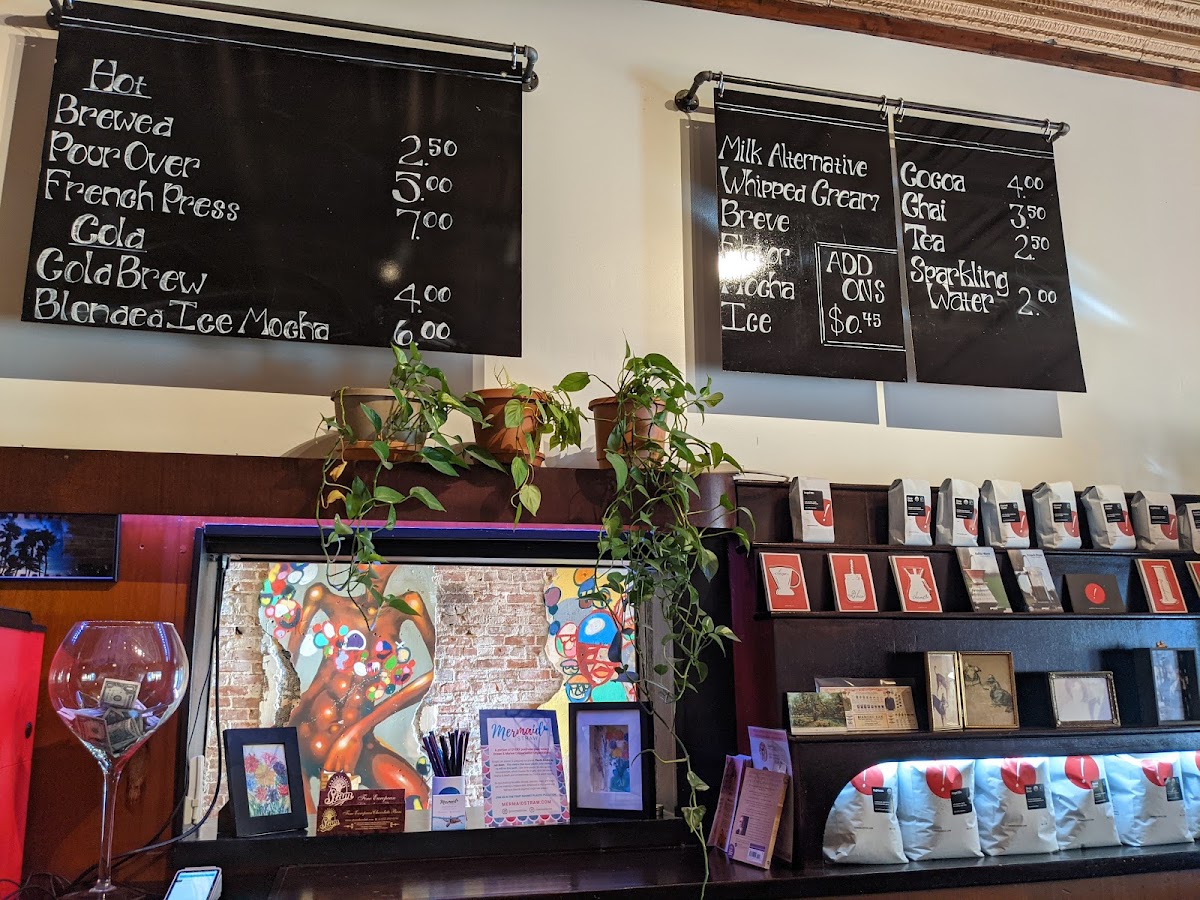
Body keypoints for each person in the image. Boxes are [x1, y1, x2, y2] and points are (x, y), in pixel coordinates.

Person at [264, 562, 435, 811]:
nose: (374, 565)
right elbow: (286, 667)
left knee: (421, 802)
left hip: (357, 745)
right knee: (308, 827)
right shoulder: (322, 596)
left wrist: (356, 732)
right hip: (305, 736)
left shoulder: (408, 605)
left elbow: (439, 672)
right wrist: (281, 727)